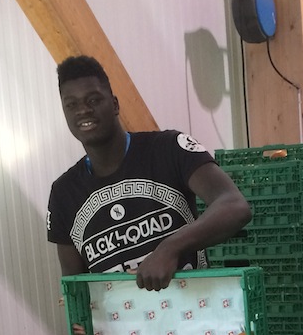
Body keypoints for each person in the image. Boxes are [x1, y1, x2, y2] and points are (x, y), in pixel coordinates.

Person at [47, 55, 251, 290]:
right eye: (71, 104)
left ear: (114, 105)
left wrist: (169, 248)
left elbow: (235, 206)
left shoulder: (169, 148)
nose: (83, 110)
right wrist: (79, 321)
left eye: (93, 100)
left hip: (196, 319)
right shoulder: (63, 193)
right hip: (121, 326)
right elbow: (75, 288)